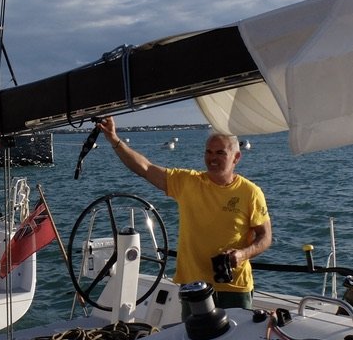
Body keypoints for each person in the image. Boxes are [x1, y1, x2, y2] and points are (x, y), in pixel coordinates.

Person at [97, 116, 271, 312]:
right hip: (193, 285)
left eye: (220, 153)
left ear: (236, 157)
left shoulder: (250, 192)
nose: (212, 158)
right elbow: (145, 169)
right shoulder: (188, 182)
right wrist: (114, 139)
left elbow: (265, 237)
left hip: (234, 287)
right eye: (208, 152)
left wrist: (242, 254)